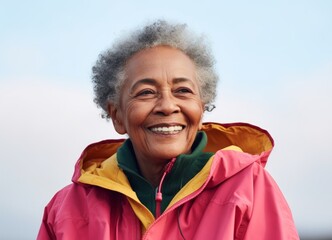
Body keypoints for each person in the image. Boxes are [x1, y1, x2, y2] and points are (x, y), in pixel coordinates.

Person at [37, 20, 299, 240]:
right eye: (146, 92)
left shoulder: (249, 188)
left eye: (183, 90)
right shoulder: (66, 209)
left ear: (201, 106)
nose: (167, 106)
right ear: (116, 115)